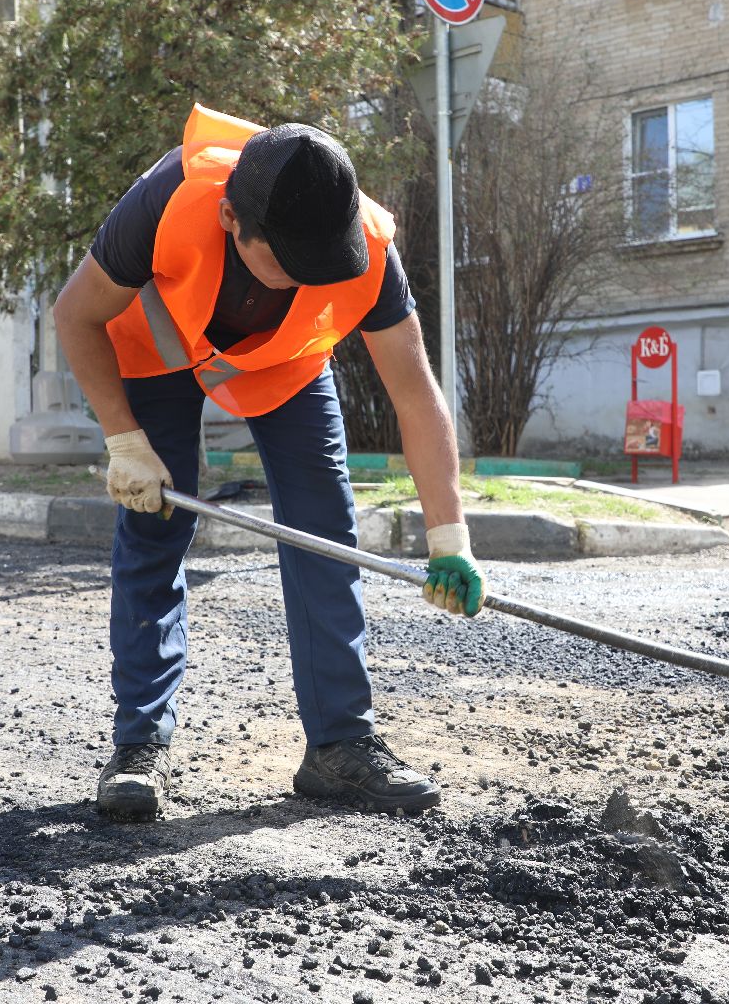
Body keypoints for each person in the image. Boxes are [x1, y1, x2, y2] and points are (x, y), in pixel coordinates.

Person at [53, 105, 485, 820]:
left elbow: (414, 390)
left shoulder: (366, 244)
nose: (306, 276)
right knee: (156, 522)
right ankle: (137, 746)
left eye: (323, 260)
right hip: (158, 347)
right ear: (231, 219)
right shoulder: (165, 204)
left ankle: (340, 746)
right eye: (286, 261)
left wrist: (451, 539)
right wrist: (124, 440)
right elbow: (76, 314)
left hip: (286, 364)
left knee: (324, 528)